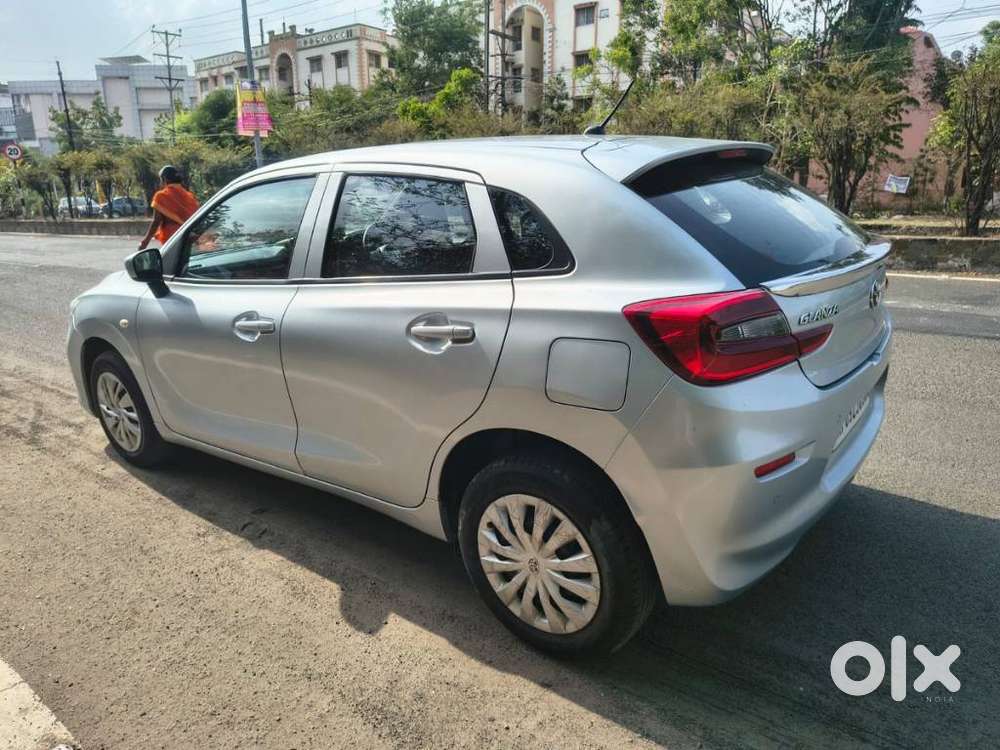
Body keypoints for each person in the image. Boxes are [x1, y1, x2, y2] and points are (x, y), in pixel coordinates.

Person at [138, 165, 200, 250]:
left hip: (172, 240)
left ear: (165, 179)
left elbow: (156, 221)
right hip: (190, 239)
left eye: (160, 180)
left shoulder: (161, 196)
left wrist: (144, 243)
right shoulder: (189, 196)